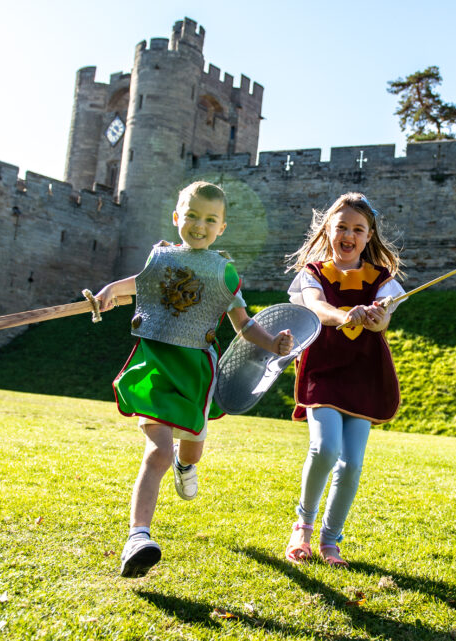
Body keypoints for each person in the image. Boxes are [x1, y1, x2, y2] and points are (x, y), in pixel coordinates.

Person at [95, 181, 294, 578]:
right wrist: (106, 293)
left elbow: (244, 324)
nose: (198, 225)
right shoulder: (161, 259)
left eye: (209, 219)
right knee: (157, 453)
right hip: (154, 365)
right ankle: (138, 537)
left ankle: (187, 468)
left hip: (196, 374)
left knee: (189, 452)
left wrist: (273, 343)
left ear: (222, 227)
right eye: (191, 216)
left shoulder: (224, 272)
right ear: (176, 217)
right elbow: (135, 285)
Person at [283, 192, 405, 568]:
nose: (348, 235)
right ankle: (302, 528)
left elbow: (384, 318)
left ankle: (330, 541)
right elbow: (317, 307)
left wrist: (375, 316)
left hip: (365, 373)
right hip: (323, 367)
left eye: (358, 229)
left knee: (351, 463)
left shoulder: (383, 279)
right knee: (324, 448)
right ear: (327, 230)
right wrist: (343, 315)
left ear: (369, 237)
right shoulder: (313, 273)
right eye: (342, 227)